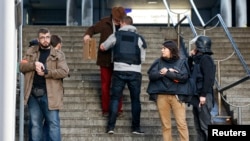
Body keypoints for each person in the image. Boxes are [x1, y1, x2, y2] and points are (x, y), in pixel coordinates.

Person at [20, 28, 69, 141]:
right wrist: (34, 64)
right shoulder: (30, 52)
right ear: (38, 39)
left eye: (47, 37)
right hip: (33, 94)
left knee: (53, 125)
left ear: (50, 38)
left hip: (50, 95)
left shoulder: (58, 54)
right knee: (35, 125)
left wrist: (47, 72)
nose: (45, 40)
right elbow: (21, 67)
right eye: (42, 37)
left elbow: (64, 71)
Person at [100, 16, 147, 134]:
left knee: (115, 98)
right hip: (135, 72)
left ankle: (111, 127)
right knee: (135, 100)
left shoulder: (116, 35)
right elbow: (142, 58)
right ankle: (136, 128)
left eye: (120, 23)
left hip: (119, 70)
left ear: (122, 23)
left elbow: (103, 46)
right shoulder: (140, 38)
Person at [83, 6, 126, 117]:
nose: (118, 21)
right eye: (116, 19)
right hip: (105, 59)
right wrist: (88, 35)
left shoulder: (125, 23)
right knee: (105, 85)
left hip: (119, 61)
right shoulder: (105, 22)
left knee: (118, 86)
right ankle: (106, 109)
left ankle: (118, 109)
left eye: (119, 19)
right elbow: (92, 29)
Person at [147, 40, 189, 141]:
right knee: (166, 125)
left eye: (164, 48)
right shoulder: (158, 61)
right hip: (162, 96)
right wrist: (163, 72)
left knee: (181, 124)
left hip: (177, 96)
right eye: (162, 48)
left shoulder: (182, 62)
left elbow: (184, 77)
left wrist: (168, 72)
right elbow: (151, 76)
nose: (162, 50)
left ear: (171, 50)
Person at [188, 35, 216, 141]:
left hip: (203, 95)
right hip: (197, 95)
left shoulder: (206, 59)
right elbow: (188, 68)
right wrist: (191, 57)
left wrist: (203, 95)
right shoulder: (198, 59)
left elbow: (209, 78)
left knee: (205, 125)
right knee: (199, 126)